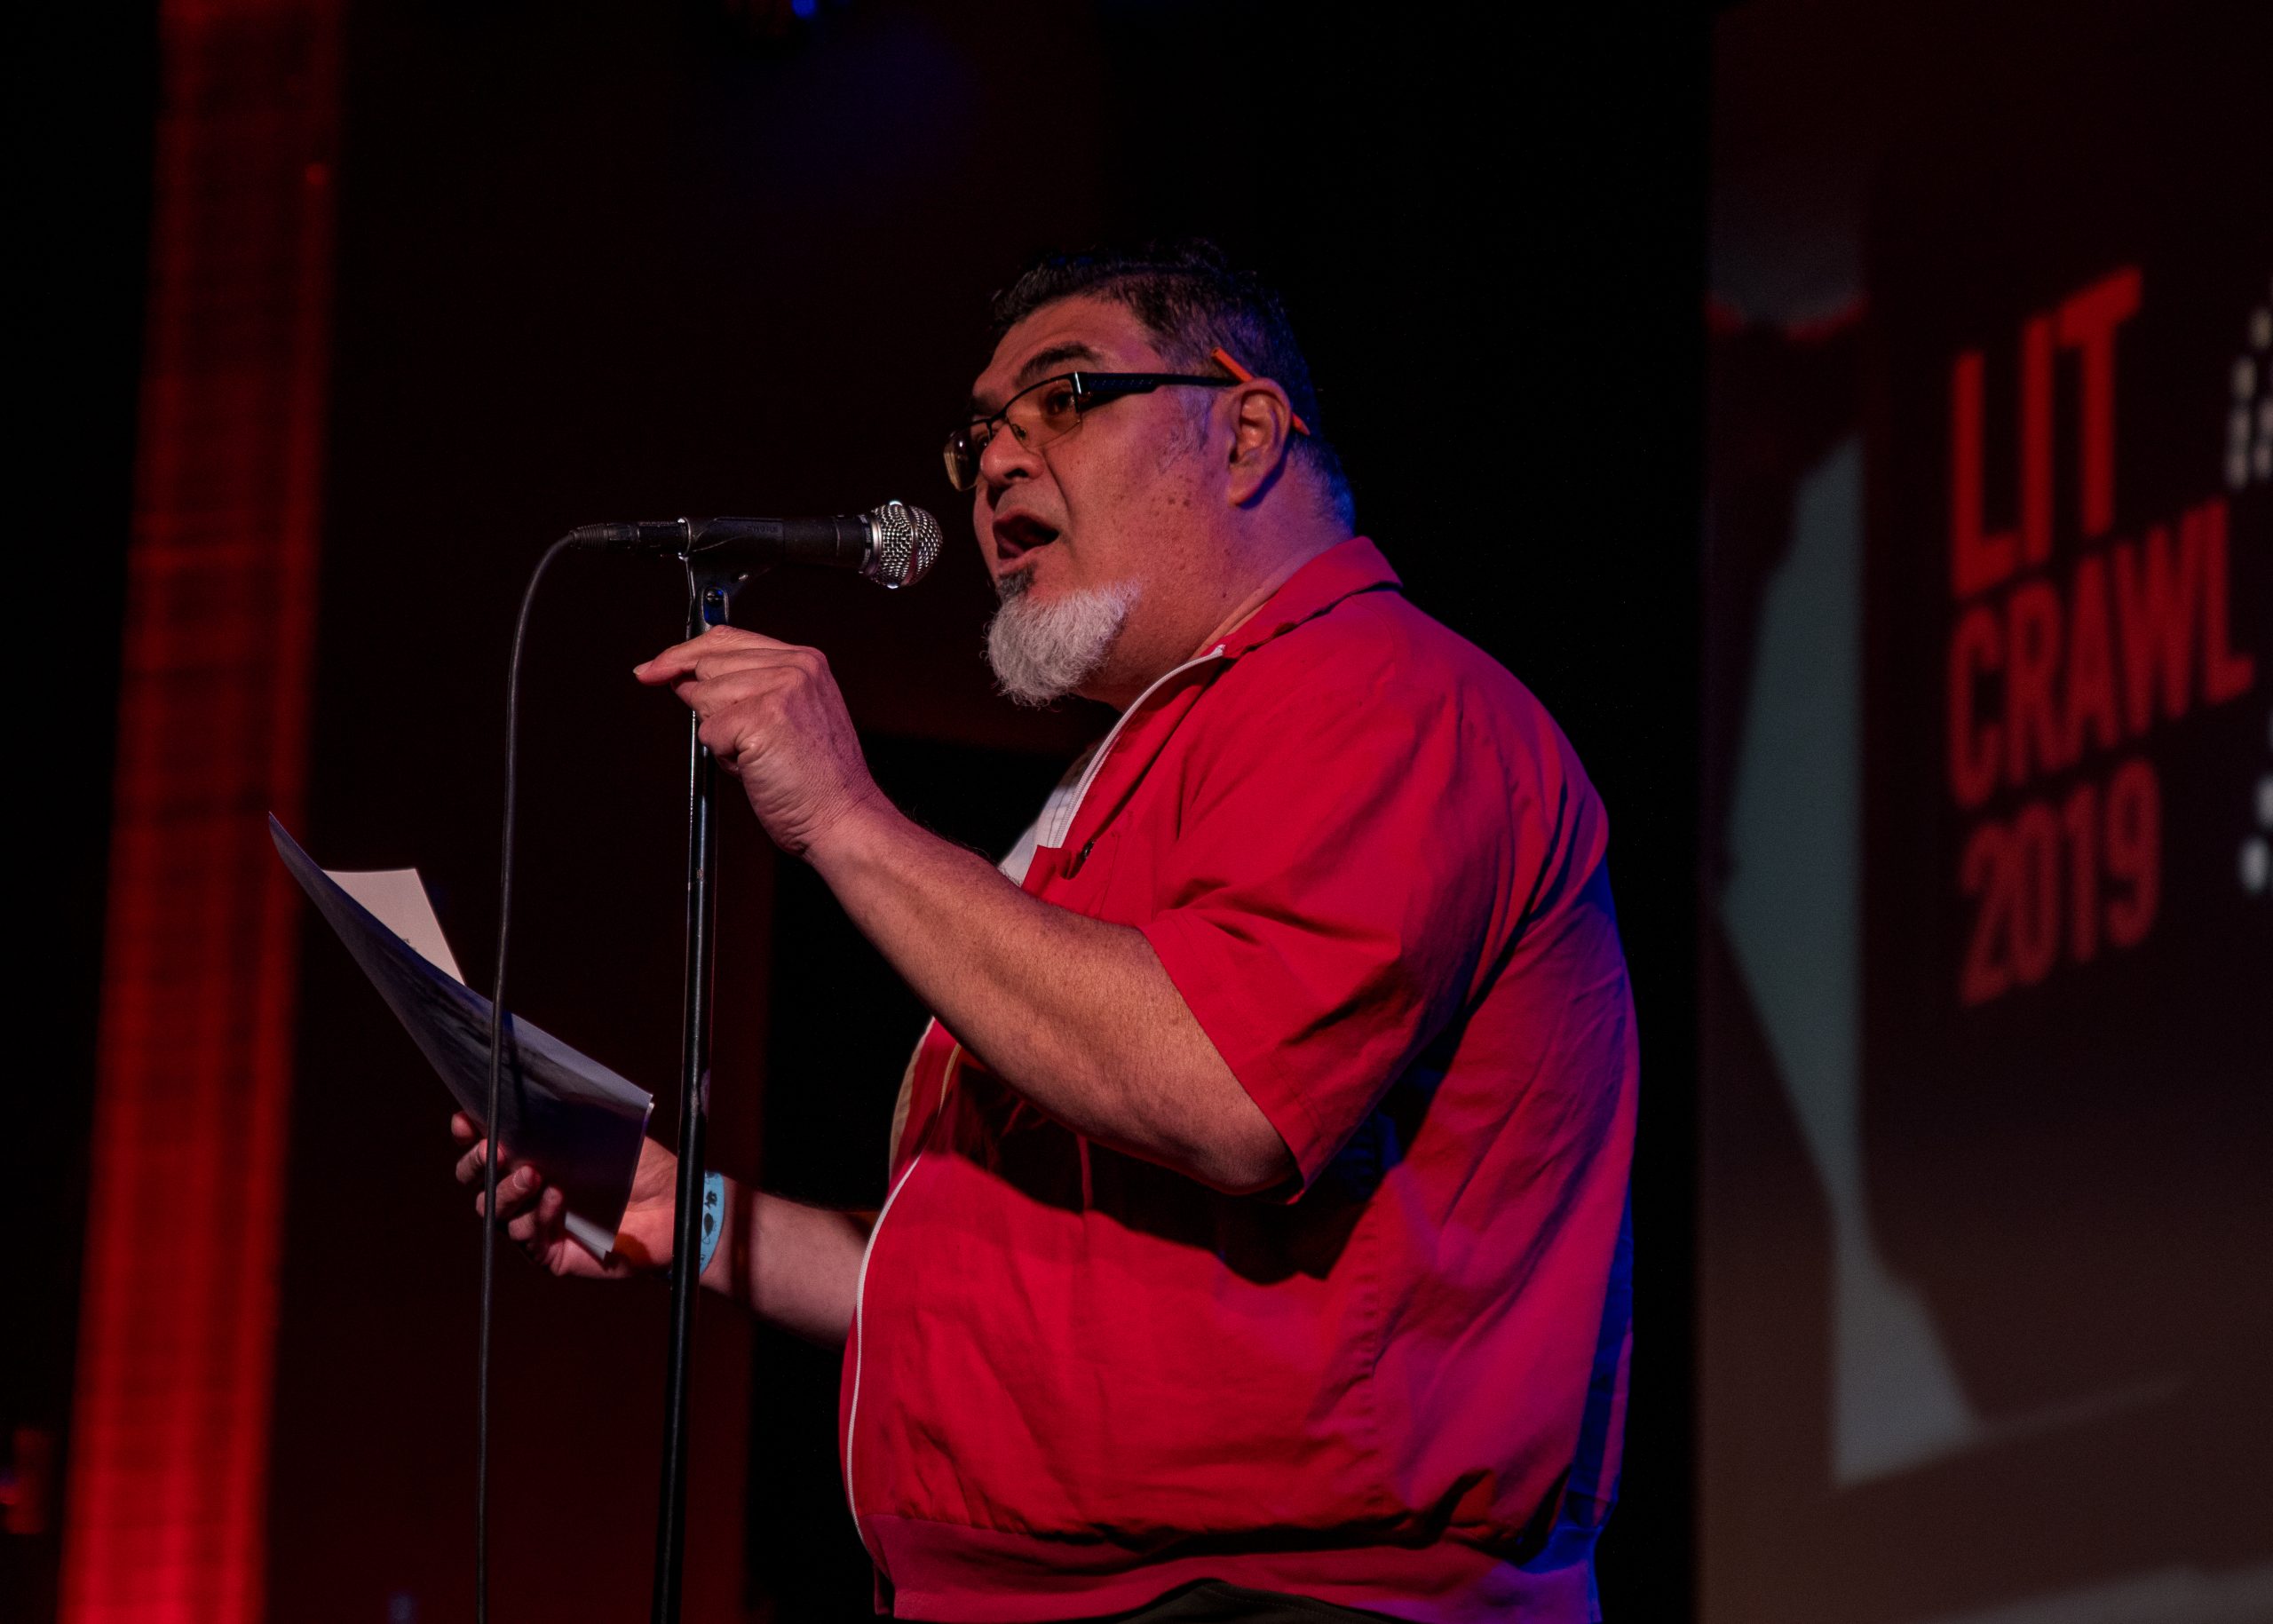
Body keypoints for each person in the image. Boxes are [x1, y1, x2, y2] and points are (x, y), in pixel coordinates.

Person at [455, 242, 1636, 1622]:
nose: (999, 461)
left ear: (1246, 426)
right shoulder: (1129, 773)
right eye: (979, 433)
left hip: (1281, 1596)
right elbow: (990, 1263)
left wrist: (847, 816)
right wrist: (691, 1215)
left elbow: (1227, 1091)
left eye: (1064, 397)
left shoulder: (1377, 695)